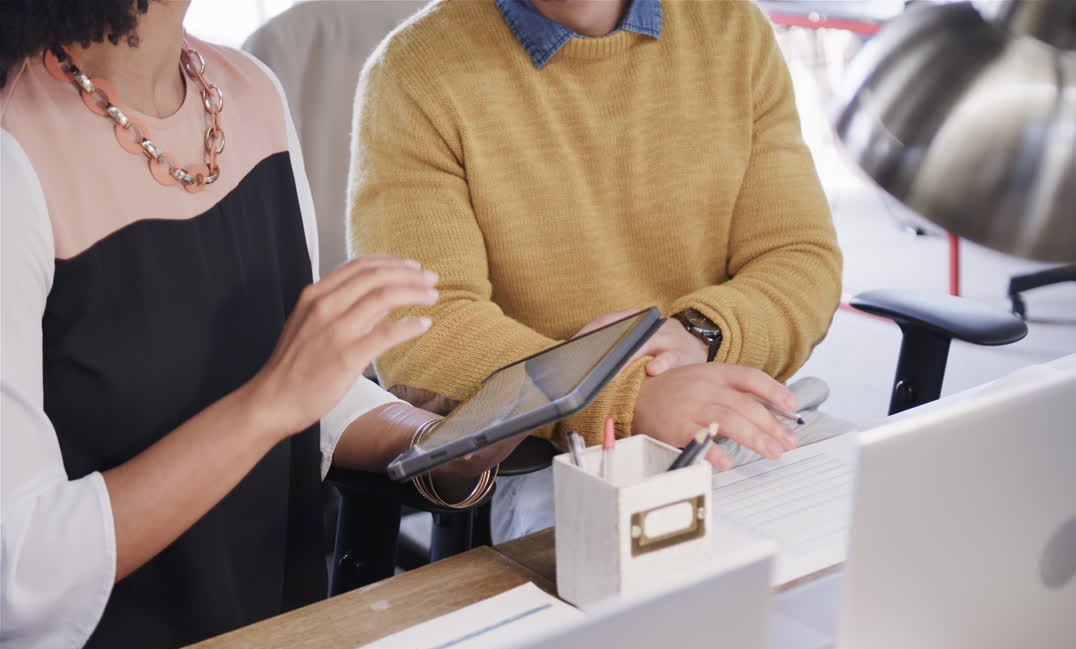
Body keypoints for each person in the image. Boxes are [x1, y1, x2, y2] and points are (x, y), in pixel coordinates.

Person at [0, 0, 514, 649]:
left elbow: (300, 387)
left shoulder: (251, 93)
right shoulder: (13, 150)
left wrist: (444, 440)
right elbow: (22, 576)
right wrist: (269, 404)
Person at [348, 0, 844, 542]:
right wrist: (622, 396)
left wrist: (700, 333)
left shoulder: (732, 27)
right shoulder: (415, 71)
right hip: (561, 457)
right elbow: (424, 330)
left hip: (737, 417)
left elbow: (799, 257)